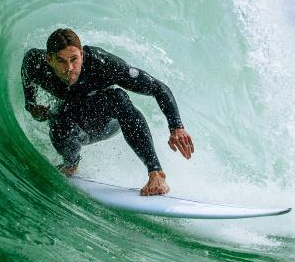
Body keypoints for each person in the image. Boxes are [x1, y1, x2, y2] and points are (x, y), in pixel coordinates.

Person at [21, 28, 195, 196]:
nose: (69, 68)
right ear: (49, 59)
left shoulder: (101, 64)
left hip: (105, 123)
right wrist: (31, 106)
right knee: (58, 118)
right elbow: (27, 77)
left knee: (118, 97)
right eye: (61, 61)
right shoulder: (35, 63)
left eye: (74, 59)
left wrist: (176, 127)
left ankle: (156, 173)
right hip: (72, 125)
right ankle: (71, 164)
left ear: (81, 54)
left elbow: (157, 87)